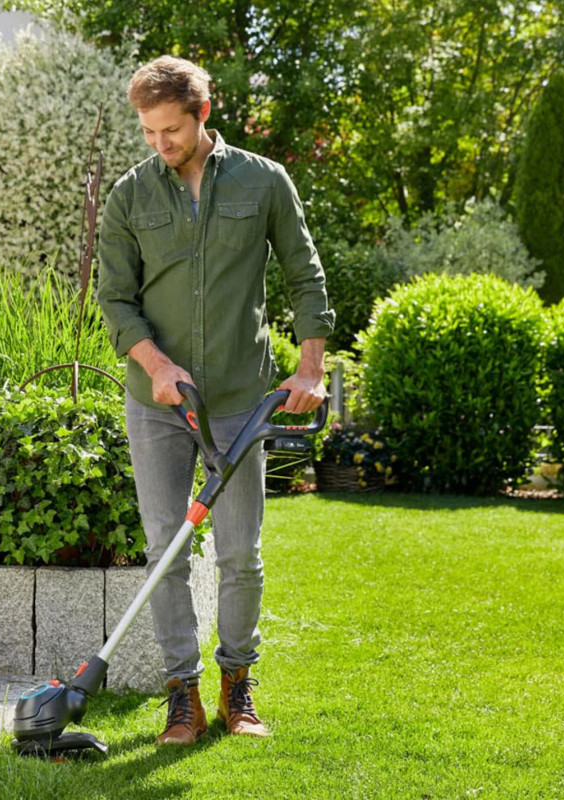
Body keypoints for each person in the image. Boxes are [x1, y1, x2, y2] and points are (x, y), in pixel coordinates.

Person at [97, 55, 334, 746]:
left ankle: (238, 685)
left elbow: (304, 271)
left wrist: (309, 367)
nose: (159, 144)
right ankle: (182, 696)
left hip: (237, 398)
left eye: (169, 129)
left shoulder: (263, 181)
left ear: (202, 114)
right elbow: (115, 298)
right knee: (165, 549)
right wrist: (156, 363)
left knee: (240, 552)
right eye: (148, 131)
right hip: (158, 401)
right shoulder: (130, 195)